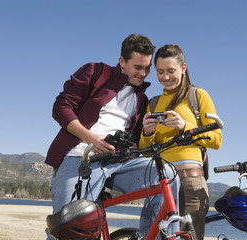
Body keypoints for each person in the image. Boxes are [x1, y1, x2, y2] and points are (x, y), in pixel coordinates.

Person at [45, 34, 179, 239]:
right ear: (122, 62)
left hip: (119, 163)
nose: (143, 73)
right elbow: (61, 106)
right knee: (67, 230)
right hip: (80, 158)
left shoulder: (141, 99)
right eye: (137, 67)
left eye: (147, 68)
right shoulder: (95, 72)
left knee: (168, 174)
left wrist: (144, 136)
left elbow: (136, 138)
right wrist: (90, 137)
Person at [139, 44, 223, 240]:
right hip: (158, 181)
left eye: (171, 71)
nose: (165, 77)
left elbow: (217, 140)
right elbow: (144, 151)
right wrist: (147, 132)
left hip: (190, 183)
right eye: (160, 72)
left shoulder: (197, 95)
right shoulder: (152, 103)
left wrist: (185, 125)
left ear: (183, 68)